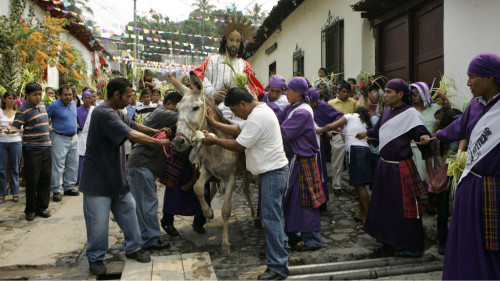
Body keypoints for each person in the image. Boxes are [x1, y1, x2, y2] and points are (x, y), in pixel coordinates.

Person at [79, 77, 173, 276]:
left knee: (129, 213)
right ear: (116, 94)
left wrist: (157, 131)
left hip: (117, 178)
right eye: (128, 95)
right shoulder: (104, 113)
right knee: (98, 224)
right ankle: (95, 258)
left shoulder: (117, 112)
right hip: (98, 180)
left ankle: (133, 248)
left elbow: (135, 126)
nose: (131, 99)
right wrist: (159, 143)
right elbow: (132, 135)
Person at [422, 53, 500, 279]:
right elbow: (458, 128)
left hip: (493, 185)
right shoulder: (474, 106)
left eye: (472, 76)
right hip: (470, 184)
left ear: (491, 78)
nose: (467, 83)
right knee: (467, 237)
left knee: (491, 241)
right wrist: (435, 136)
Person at [201, 87, 290, 280]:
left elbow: (239, 144)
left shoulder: (258, 117)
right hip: (273, 171)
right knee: (275, 216)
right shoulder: (260, 111)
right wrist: (215, 123)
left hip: (272, 173)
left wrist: (215, 140)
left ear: (243, 104)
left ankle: (278, 267)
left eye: (234, 111)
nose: (235, 115)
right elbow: (239, 129)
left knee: (271, 218)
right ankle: (280, 253)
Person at [356, 78, 434, 257]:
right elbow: (377, 131)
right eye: (385, 91)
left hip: (401, 168)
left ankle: (411, 246)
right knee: (382, 206)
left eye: (390, 92)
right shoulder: (386, 111)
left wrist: (423, 139)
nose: (385, 95)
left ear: (400, 94)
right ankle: (384, 241)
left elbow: (423, 137)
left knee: (405, 208)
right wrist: (366, 133)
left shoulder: (411, 114)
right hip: (384, 166)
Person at [274, 77, 326, 252]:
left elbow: (282, 132)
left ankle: (312, 240)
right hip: (294, 160)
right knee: (291, 200)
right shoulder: (291, 107)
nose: (285, 92)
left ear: (297, 92)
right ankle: (291, 234)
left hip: (302, 161)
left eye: (288, 89)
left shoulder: (302, 112)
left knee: (305, 201)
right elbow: (277, 118)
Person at [128, 92, 181, 250]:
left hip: (143, 165)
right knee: (147, 205)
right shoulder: (166, 113)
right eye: (180, 107)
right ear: (170, 104)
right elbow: (190, 118)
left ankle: (147, 237)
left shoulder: (160, 113)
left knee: (145, 204)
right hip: (142, 165)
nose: (181, 111)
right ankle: (150, 240)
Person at [194, 17, 265, 124]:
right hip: (213, 108)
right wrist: (212, 93)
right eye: (231, 40)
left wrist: (244, 91)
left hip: (237, 113)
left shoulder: (244, 64)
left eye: (237, 41)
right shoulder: (212, 60)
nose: (234, 44)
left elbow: (254, 89)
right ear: (225, 41)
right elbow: (197, 76)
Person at [317, 107, 373, 229]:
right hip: (362, 151)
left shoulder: (351, 116)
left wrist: (320, 130)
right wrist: (340, 131)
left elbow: (332, 125)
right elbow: (347, 139)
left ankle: (366, 218)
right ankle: (361, 214)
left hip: (356, 151)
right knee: (359, 185)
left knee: (360, 185)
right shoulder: (365, 122)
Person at [8, 83, 52, 220]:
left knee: (45, 180)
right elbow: (16, 127)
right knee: (32, 180)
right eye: (35, 95)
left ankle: (42, 207)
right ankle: (30, 209)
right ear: (27, 95)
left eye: (40, 94)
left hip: (46, 147)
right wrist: (9, 130)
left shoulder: (43, 106)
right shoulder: (23, 110)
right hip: (32, 149)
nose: (38, 97)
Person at [428, 108, 461, 255]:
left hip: (459, 176)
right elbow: (428, 157)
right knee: (442, 211)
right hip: (442, 177)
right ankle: (443, 239)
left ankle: (457, 240)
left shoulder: (464, 137)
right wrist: (433, 178)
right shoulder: (436, 138)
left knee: (458, 209)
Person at [307, 88, 343, 212]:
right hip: (305, 143)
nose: (313, 104)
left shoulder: (323, 106)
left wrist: (331, 128)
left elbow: (339, 116)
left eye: (315, 101)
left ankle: (322, 202)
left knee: (320, 171)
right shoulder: (303, 107)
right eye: (311, 102)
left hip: (319, 142)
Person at [328, 81, 365, 196]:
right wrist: (329, 132)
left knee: (351, 161)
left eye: (348, 92)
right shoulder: (331, 103)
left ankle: (353, 185)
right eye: (343, 91)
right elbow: (326, 117)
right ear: (338, 91)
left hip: (351, 135)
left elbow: (364, 111)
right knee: (337, 161)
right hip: (337, 134)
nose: (346, 94)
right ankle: (337, 185)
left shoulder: (353, 102)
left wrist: (366, 96)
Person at [47, 86, 79, 202]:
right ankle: (56, 190)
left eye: (70, 94)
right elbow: (45, 117)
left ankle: (69, 187)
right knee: (58, 165)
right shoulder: (54, 105)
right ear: (59, 95)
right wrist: (49, 127)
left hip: (74, 138)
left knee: (73, 163)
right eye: (65, 94)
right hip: (60, 138)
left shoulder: (74, 104)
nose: (68, 97)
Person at [0, 92, 22, 203]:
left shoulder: (18, 113)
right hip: (2, 141)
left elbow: (22, 128)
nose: (11, 100)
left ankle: (15, 192)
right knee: (2, 169)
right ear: (4, 99)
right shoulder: (0, 111)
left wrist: (14, 130)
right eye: (9, 98)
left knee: (15, 168)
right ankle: (2, 193)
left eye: (14, 98)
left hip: (15, 141)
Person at [77, 91, 94, 180]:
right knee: (81, 156)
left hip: (92, 136)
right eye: (85, 98)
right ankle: (80, 177)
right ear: (82, 99)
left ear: (92, 99)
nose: (87, 99)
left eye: (89, 98)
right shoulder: (77, 110)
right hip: (81, 135)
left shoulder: (94, 110)